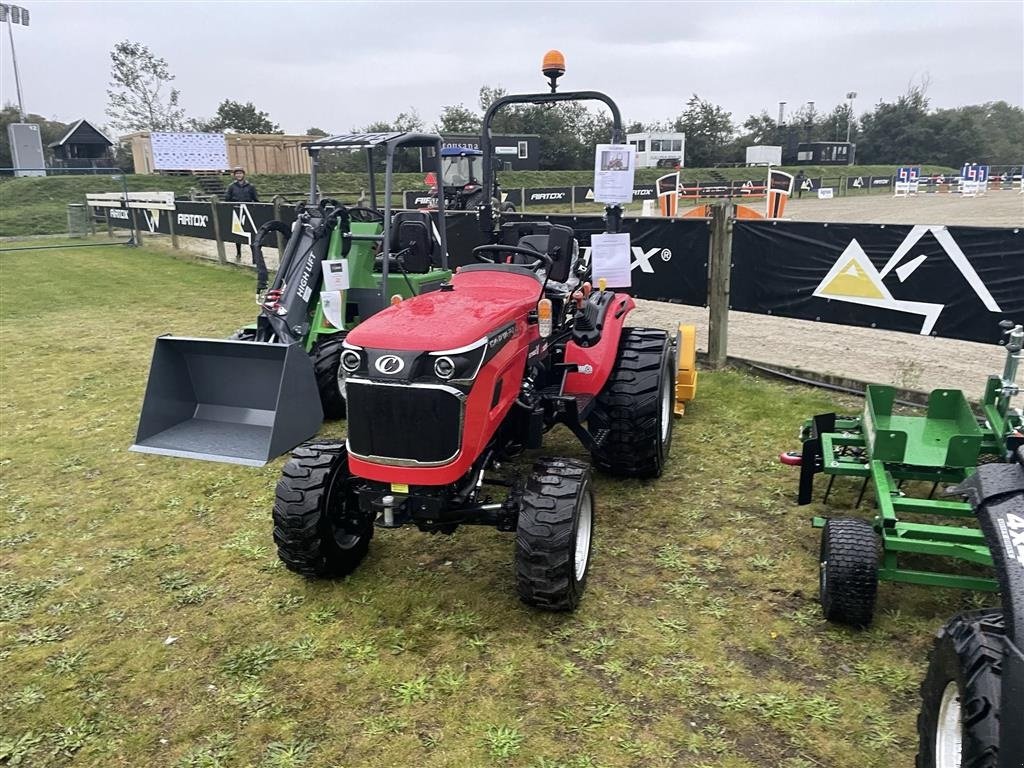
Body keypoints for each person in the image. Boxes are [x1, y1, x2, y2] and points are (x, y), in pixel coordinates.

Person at [223, 166, 258, 260]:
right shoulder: (231, 187)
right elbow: (227, 199)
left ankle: (254, 256)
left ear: (243, 174)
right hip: (237, 212)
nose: (239, 175)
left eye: (240, 173)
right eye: (237, 173)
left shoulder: (250, 186)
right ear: (234, 175)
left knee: (251, 234)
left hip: (248, 212)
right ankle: (238, 253)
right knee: (238, 234)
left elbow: (256, 199)